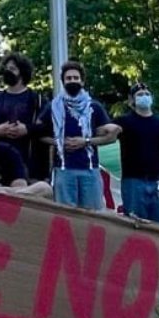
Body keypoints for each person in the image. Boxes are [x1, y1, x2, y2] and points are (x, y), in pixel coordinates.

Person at [36, 61, 119, 209]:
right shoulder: (52, 107)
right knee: (66, 216)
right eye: (69, 78)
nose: (72, 81)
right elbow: (38, 134)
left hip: (90, 169)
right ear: (63, 81)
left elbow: (110, 136)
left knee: (92, 215)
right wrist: (58, 142)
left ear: (82, 81)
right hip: (63, 170)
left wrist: (86, 141)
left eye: (76, 78)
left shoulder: (94, 106)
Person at [115, 82, 159, 225]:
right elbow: (106, 134)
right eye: (140, 94)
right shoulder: (123, 122)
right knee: (135, 224)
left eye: (147, 94)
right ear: (131, 100)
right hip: (133, 182)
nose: (144, 97)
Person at [0, 53, 40, 172]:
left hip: (27, 160)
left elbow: (45, 126)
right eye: (6, 69)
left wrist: (27, 129)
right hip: (0, 159)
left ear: (22, 72)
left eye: (12, 69)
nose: (8, 72)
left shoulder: (36, 98)